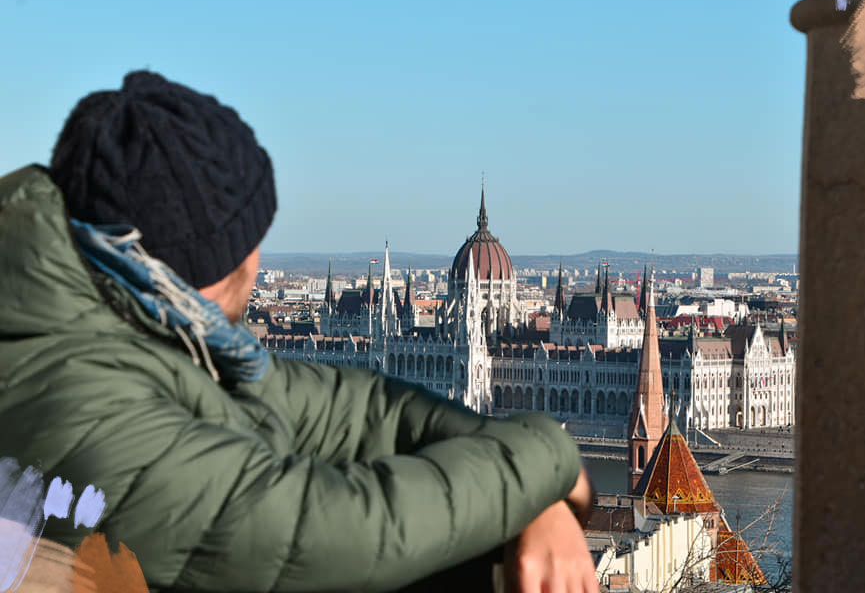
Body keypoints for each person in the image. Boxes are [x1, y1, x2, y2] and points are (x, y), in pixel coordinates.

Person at [0, 71, 599, 593]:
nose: (259, 262)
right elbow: (340, 531)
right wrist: (545, 460)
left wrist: (534, 496)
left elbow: (352, 409)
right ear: (210, 262)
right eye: (252, 238)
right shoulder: (88, 409)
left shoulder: (110, 334)